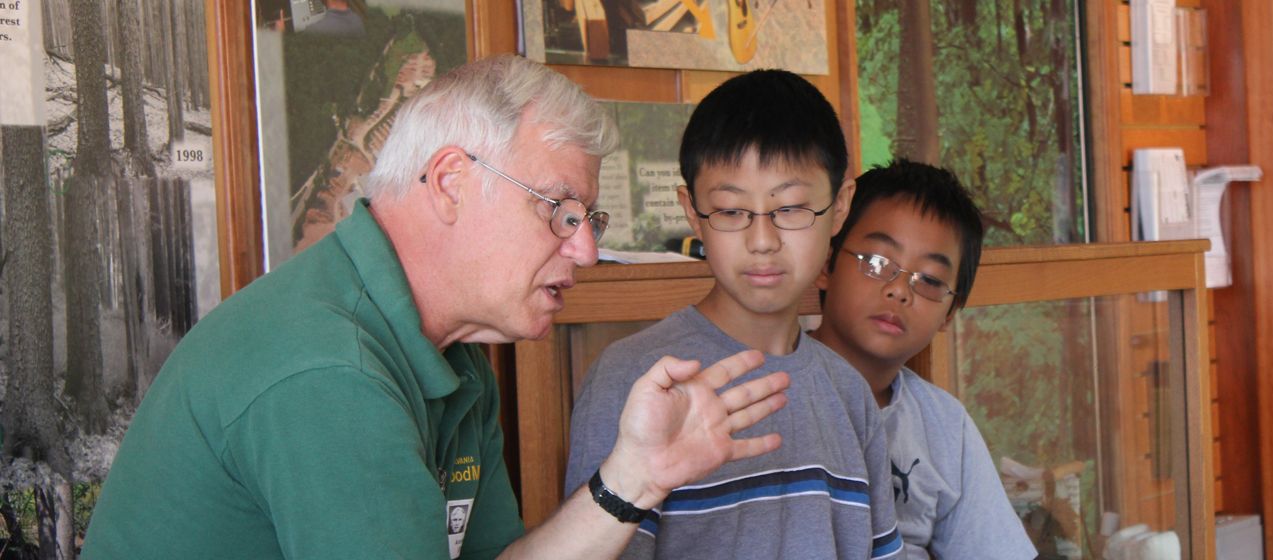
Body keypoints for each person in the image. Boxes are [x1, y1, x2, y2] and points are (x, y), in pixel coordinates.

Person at [82, 54, 790, 560]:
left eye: (588, 219)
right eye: (559, 209)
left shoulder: (450, 353)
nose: (583, 251)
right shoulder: (331, 371)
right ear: (451, 182)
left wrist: (636, 477)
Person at [565, 69, 904, 559]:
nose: (762, 241)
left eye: (791, 208)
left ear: (839, 207)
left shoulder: (849, 393)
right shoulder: (633, 380)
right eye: (729, 211)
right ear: (692, 210)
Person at [809, 160, 1036, 560]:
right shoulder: (766, 393)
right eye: (877, 262)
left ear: (949, 314)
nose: (900, 290)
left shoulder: (944, 425)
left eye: (929, 280)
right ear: (826, 264)